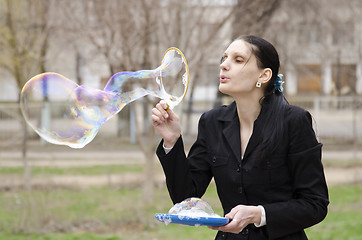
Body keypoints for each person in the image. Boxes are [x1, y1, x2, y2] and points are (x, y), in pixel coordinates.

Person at [151, 35, 329, 240]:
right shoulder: (212, 122)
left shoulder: (294, 121)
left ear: (264, 76)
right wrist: (171, 141)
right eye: (224, 58)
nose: (224, 65)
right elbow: (185, 197)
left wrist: (258, 214)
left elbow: (315, 204)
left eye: (238, 60)